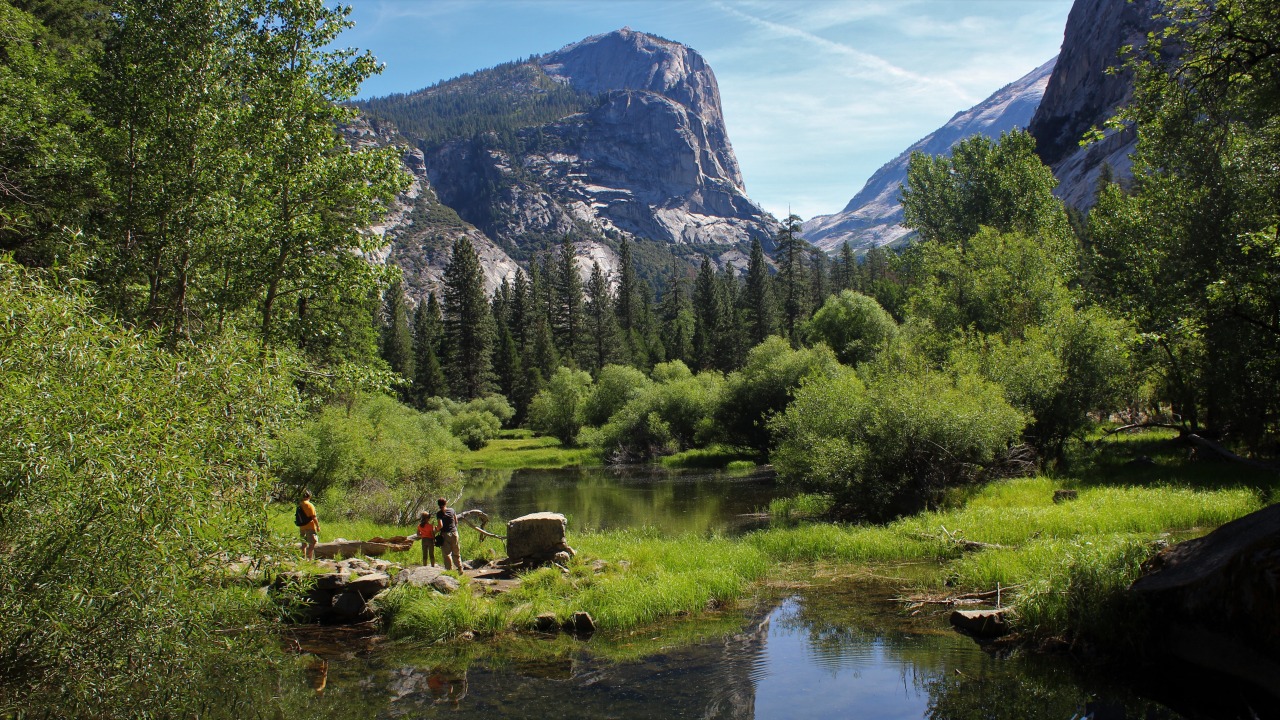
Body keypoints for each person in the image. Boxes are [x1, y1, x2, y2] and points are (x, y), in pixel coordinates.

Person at [435, 497, 462, 571]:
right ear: (446, 503)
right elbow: (456, 521)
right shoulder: (452, 510)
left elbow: (440, 526)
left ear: (438, 505)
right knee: (456, 551)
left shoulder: (439, 514)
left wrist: (436, 530)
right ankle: (460, 568)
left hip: (445, 535)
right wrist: (454, 529)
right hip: (454, 533)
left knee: (447, 553)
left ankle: (449, 570)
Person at [298, 490, 320, 561]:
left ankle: (303, 558)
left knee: (303, 544)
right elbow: (313, 517)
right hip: (310, 527)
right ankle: (309, 560)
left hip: (302, 527)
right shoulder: (310, 505)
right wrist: (318, 526)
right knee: (312, 543)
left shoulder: (300, 504)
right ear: (309, 496)